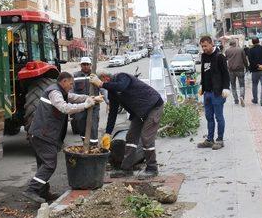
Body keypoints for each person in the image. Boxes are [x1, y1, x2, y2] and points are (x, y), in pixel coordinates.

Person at [23, 72, 101, 204]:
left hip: (41, 134)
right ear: (64, 81)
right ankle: (32, 190)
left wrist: (90, 98)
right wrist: (86, 105)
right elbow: (64, 108)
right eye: (70, 84)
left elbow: (72, 97)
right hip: (43, 135)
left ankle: (43, 192)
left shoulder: (60, 91)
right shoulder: (54, 92)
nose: (71, 86)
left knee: (43, 164)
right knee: (49, 164)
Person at [91, 72, 164, 179]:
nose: (102, 87)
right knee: (131, 137)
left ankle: (152, 168)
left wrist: (101, 84)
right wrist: (108, 133)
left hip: (153, 106)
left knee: (146, 137)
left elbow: (122, 86)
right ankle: (126, 168)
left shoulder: (122, 77)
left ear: (105, 78)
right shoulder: (112, 92)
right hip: (139, 112)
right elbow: (113, 113)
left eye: (102, 81)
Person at [197, 36, 231, 150]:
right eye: (202, 46)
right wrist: (202, 86)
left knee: (218, 117)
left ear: (212, 44)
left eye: (205, 46)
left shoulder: (219, 57)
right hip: (207, 92)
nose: (204, 48)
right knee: (208, 117)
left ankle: (220, 140)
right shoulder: (204, 56)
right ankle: (210, 139)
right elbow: (204, 72)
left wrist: (226, 88)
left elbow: (226, 74)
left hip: (217, 93)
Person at [72, 57, 100, 144]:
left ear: (90, 65)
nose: (86, 66)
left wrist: (107, 101)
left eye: (87, 64)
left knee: (93, 126)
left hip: (94, 105)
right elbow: (71, 91)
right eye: (84, 64)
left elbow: (102, 88)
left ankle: (94, 145)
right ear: (81, 65)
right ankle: (85, 143)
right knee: (81, 125)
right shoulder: (75, 76)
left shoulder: (95, 75)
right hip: (81, 106)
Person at [247, 37, 262, 106]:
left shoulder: (250, 50)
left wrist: (257, 66)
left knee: (254, 85)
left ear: (252, 42)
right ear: (258, 41)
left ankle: (255, 99)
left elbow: (250, 61)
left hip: (255, 71)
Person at [224, 40, 248, 107]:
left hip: (231, 70)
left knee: (233, 85)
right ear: (235, 44)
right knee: (242, 85)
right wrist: (247, 66)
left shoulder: (227, 51)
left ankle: (236, 100)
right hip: (240, 69)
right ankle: (242, 97)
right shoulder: (240, 50)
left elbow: (225, 59)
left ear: (230, 44)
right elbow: (244, 59)